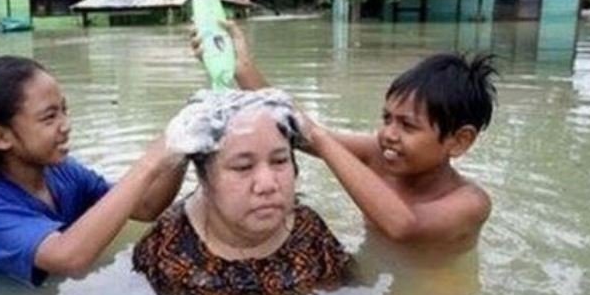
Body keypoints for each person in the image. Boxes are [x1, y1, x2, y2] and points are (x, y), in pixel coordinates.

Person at [191, 22, 497, 255]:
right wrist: (243, 69)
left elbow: (404, 226)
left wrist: (323, 140)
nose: (388, 134)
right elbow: (302, 135)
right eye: (386, 118)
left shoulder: (471, 202)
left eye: (407, 126)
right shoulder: (379, 154)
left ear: (460, 141)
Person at [0, 55, 187, 286]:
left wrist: (184, 144)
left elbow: (146, 207)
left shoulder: (63, 171)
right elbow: (69, 258)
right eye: (50, 117)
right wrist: (148, 165)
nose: (66, 125)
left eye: (65, 110)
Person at [132, 88, 352, 295]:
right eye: (243, 166)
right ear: (203, 177)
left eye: (279, 161)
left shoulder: (311, 235)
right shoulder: (168, 246)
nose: (267, 185)